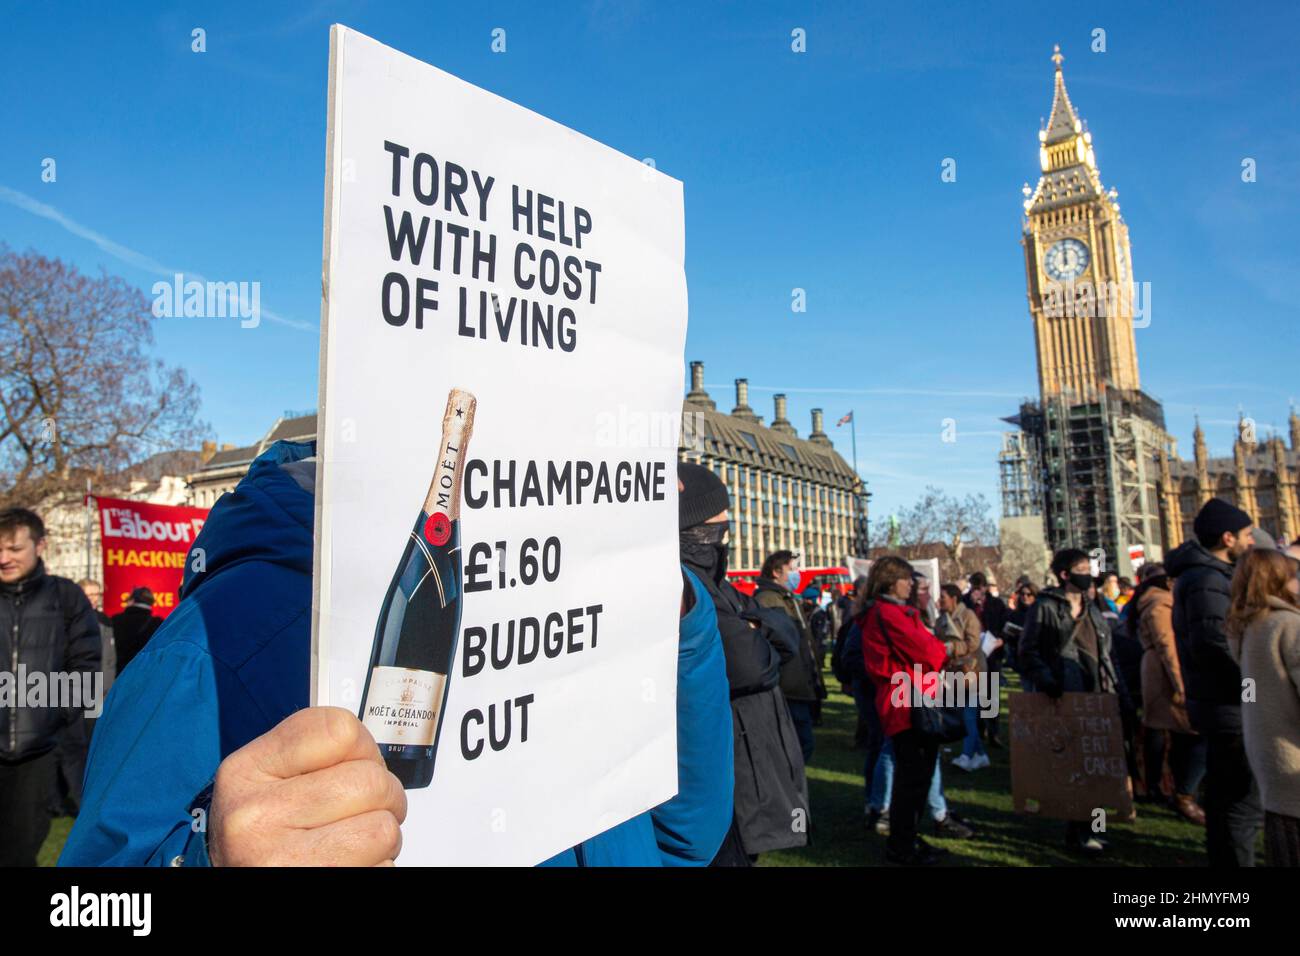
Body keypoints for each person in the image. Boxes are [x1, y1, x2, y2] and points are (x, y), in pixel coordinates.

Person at [62, 442, 734, 867]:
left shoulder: (554, 599)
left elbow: (683, 838)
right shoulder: (212, 638)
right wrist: (213, 860)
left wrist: (676, 625)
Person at [677, 463, 809, 865]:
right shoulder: (692, 588)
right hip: (720, 777)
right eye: (721, 528)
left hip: (750, 769)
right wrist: (756, 631)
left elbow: (787, 633)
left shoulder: (723, 588)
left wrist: (757, 626)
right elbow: (752, 664)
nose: (728, 539)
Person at [0, 507, 101, 867]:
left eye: (14, 548)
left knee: (20, 850)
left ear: (40, 545)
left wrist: (55, 716)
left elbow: (87, 662)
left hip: (38, 751)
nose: (4, 558)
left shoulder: (65, 596)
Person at [1167, 497, 1262, 867]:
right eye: (1247, 534)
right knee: (1241, 804)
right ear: (1227, 538)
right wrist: (1255, 684)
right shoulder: (1208, 579)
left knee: (1227, 801)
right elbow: (1213, 643)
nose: (1251, 542)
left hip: (1221, 704)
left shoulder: (1209, 576)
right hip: (1228, 706)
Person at [1019, 547, 1120, 855]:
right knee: (1075, 766)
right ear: (1065, 574)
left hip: (1097, 692)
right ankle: (1078, 832)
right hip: (1064, 691)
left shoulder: (1092, 606)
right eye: (1081, 568)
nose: (1088, 572)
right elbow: (1028, 650)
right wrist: (1047, 679)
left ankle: (1096, 827)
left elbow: (1105, 652)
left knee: (1097, 766)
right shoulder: (1046, 606)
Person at [858, 556, 950, 865]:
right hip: (906, 704)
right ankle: (901, 846)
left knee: (918, 778)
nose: (911, 584)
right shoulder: (889, 614)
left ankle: (908, 837)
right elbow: (929, 651)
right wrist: (939, 648)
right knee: (911, 779)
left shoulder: (891, 612)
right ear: (890, 581)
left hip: (911, 698)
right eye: (906, 578)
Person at [1225, 548, 1300, 867]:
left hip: (1267, 751)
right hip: (1293, 750)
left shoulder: (1246, 627)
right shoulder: (1288, 625)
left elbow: (1251, 690)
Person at [1131, 562, 1206, 824]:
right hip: (1165, 675)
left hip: (1162, 672)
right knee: (1187, 732)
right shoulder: (1160, 605)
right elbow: (1167, 645)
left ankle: (1170, 787)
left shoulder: (1157, 601)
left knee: (1170, 733)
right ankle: (1178, 791)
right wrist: (1180, 683)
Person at [753, 550, 824, 763]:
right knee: (798, 745)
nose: (796, 574)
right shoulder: (769, 600)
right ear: (776, 572)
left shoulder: (788, 598)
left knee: (801, 742)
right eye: (792, 569)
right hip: (788, 684)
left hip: (798, 682)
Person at [937, 583, 988, 772]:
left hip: (973, 672)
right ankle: (981, 755)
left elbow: (973, 643)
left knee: (968, 715)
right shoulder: (940, 619)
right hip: (954, 674)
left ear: (954, 598)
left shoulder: (968, 616)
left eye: (943, 597)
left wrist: (950, 649)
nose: (939, 600)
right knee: (965, 715)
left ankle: (967, 755)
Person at [964, 571, 1008, 747]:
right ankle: (980, 729)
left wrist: (1000, 639)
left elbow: (1004, 623)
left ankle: (993, 731)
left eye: (981, 588)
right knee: (976, 692)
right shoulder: (965, 603)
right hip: (973, 654)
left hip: (992, 652)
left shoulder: (996, 603)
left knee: (992, 693)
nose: (978, 591)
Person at [111, 586, 161, 673]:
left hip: (120, 672)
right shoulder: (157, 623)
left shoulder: (115, 620)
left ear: (132, 601)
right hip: (146, 672)